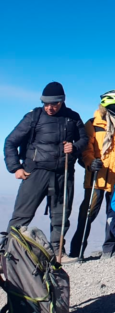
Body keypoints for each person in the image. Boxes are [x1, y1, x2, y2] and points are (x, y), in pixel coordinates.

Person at [4, 82, 89, 263]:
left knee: (61, 215)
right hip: (35, 172)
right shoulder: (34, 116)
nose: (49, 107)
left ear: (62, 101)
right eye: (46, 103)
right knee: (22, 214)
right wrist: (16, 168)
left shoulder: (72, 117)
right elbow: (10, 141)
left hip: (63, 172)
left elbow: (84, 140)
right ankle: (8, 252)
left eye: (54, 104)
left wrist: (73, 147)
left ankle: (58, 253)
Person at [70, 89, 115, 260]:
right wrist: (90, 162)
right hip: (97, 178)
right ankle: (76, 251)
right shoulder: (93, 124)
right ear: (113, 106)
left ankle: (109, 249)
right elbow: (86, 150)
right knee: (88, 214)